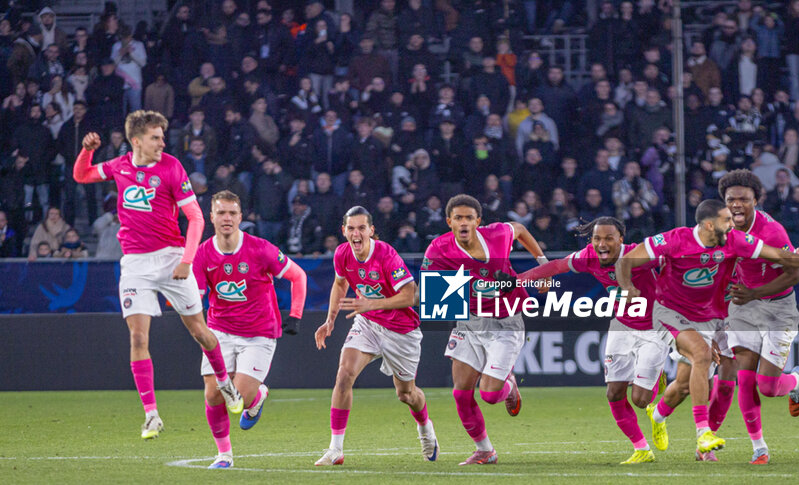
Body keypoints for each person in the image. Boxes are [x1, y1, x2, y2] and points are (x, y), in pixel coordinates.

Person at [72, 111, 242, 439]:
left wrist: (187, 261)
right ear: (136, 141)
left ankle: (225, 383)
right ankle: (151, 415)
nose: (162, 143)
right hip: (135, 264)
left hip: (172, 258)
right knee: (138, 337)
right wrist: (86, 151)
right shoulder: (119, 165)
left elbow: (195, 218)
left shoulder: (172, 167)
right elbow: (82, 175)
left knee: (200, 332)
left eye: (163, 137)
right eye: (155, 137)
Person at [617, 197, 799, 463]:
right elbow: (625, 262)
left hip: (716, 315)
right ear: (709, 225)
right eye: (726, 219)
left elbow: (775, 254)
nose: (732, 224)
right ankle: (701, 435)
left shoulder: (736, 240)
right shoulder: (675, 240)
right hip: (673, 312)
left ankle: (663, 419)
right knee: (700, 361)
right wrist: (627, 288)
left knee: (695, 385)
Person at [517, 217, 670, 464]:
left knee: (640, 400)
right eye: (597, 238)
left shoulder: (640, 255)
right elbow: (557, 266)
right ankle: (641, 449)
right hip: (622, 325)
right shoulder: (589, 256)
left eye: (609, 238)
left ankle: (656, 393)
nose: (601, 244)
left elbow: (673, 261)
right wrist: (518, 280)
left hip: (655, 327)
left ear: (621, 239)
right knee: (613, 393)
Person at [422, 194, 547, 465]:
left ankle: (509, 386)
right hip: (469, 321)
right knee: (461, 392)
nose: (464, 223)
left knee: (489, 395)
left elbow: (520, 229)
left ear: (478, 221)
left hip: (505, 322)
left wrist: (543, 263)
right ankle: (485, 450)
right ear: (449, 222)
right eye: (458, 218)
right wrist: (460, 291)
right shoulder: (438, 249)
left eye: (469, 218)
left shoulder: (498, 235)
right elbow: (435, 298)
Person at [313, 206, 438, 466]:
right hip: (368, 323)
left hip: (401, 330)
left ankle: (425, 427)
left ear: (371, 230)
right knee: (344, 374)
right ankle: (336, 449)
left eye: (361, 228)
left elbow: (412, 295)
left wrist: (372, 303)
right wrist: (330, 319)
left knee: (406, 394)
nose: (356, 234)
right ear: (344, 231)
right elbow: (340, 284)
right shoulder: (342, 253)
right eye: (351, 228)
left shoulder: (386, 255)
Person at [192, 191, 308, 468]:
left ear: (240, 217)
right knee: (212, 393)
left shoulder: (260, 249)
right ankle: (224, 455)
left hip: (259, 333)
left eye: (232, 213)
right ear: (211, 217)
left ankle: (257, 397)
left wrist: (295, 315)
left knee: (239, 399)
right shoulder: (202, 253)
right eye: (221, 213)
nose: (227, 218)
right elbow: (196, 297)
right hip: (219, 330)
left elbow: (298, 275)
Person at [719, 170, 799, 464]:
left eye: (743, 199)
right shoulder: (723, 229)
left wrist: (755, 293)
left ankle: (795, 381)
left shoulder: (773, 233)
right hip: (744, 307)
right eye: (731, 199)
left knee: (768, 387)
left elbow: (795, 275)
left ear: (756, 201)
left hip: (778, 307)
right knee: (745, 377)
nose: (736, 205)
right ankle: (759, 448)